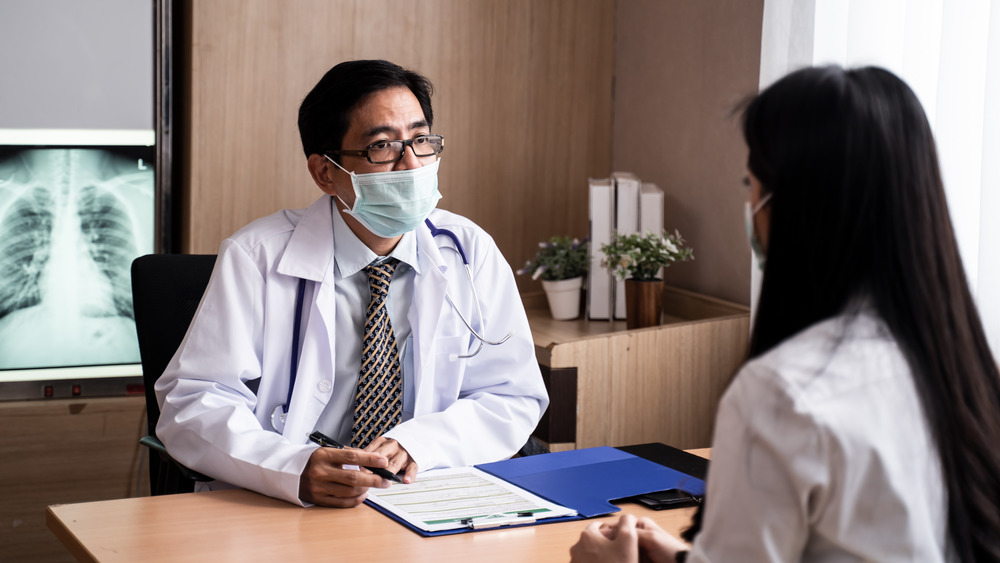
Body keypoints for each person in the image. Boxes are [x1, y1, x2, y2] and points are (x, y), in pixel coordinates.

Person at [571, 65, 1000, 562]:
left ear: (791, 206)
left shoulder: (783, 394)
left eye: (750, 183)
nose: (750, 204)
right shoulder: (961, 374)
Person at [155, 59, 549, 508]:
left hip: (425, 497)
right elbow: (192, 401)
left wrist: (424, 442)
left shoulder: (468, 250)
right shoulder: (257, 256)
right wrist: (292, 467)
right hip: (286, 505)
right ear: (325, 172)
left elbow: (511, 395)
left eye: (421, 141)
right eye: (382, 147)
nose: (411, 164)